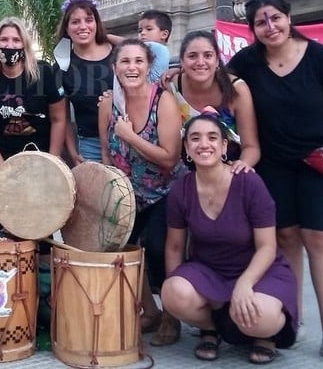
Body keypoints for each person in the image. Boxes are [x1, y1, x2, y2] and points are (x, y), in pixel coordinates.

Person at [226, 0, 323, 365]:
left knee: (322, 239)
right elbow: (215, 81)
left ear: (289, 17)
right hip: (274, 166)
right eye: (261, 22)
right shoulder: (248, 62)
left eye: (275, 18)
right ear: (253, 29)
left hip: (322, 162)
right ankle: (291, 321)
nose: (270, 27)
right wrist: (175, 74)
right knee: (285, 240)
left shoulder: (319, 57)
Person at [161, 111, 299, 363]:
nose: (204, 144)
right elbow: (175, 247)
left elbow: (267, 247)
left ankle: (262, 334)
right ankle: (212, 327)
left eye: (212, 137)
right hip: (209, 270)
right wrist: (173, 304)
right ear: (187, 148)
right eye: (195, 138)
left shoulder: (249, 182)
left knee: (260, 318)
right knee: (173, 292)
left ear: (225, 146)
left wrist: (245, 284)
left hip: (259, 271)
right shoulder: (181, 190)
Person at [98, 39, 182, 344]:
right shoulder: (108, 103)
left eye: (138, 61)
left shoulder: (163, 101)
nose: (132, 67)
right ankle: (151, 311)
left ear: (148, 66)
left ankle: (172, 315)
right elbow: (106, 151)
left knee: (159, 248)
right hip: (128, 192)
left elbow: (170, 158)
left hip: (165, 190)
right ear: (115, 67)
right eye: (125, 61)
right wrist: (112, 190)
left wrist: (131, 136)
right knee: (122, 246)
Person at [0, 16, 67, 168]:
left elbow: (58, 119)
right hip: (3, 161)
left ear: (25, 44)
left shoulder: (44, 72)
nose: (10, 45)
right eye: (4, 39)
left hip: (42, 160)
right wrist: (3, 168)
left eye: (16, 40)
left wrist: (52, 161)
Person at [161, 29, 261, 173]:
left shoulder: (237, 89)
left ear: (217, 60)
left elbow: (251, 147)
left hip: (229, 169)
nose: (200, 62)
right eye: (192, 56)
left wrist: (241, 166)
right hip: (186, 171)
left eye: (208, 55)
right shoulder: (172, 87)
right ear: (181, 61)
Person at [54, 0, 114, 165]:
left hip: (128, 138)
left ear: (96, 23)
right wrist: (73, 153)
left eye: (89, 20)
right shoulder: (62, 66)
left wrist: (111, 38)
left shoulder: (120, 52)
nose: (83, 26)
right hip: (90, 145)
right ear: (67, 28)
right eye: (75, 22)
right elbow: (63, 117)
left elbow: (151, 52)